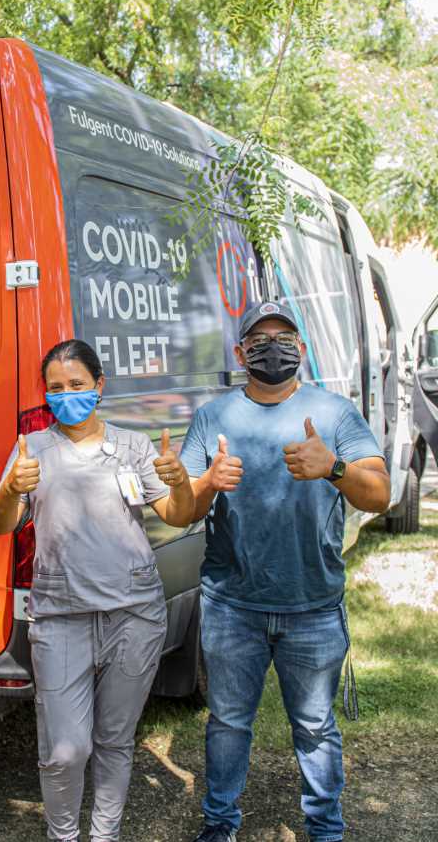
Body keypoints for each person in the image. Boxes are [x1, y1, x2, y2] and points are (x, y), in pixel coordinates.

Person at [180, 302, 390, 842]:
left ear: (302, 348)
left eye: (285, 337)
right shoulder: (213, 417)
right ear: (240, 352)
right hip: (232, 605)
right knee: (228, 723)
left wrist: (334, 467)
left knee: (316, 727)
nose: (272, 346)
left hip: (314, 605)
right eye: (259, 337)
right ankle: (219, 824)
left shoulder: (335, 413)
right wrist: (204, 483)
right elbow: (181, 510)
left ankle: (325, 829)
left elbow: (382, 494)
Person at [0, 338, 195, 842]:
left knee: (115, 741)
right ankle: (64, 836)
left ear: (99, 386)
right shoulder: (30, 450)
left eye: (76, 385)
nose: (66, 395)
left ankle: (104, 836)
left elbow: (178, 515)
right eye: (55, 388)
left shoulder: (134, 447)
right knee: (65, 749)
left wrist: (182, 481)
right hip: (60, 618)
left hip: (134, 617)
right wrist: (12, 488)